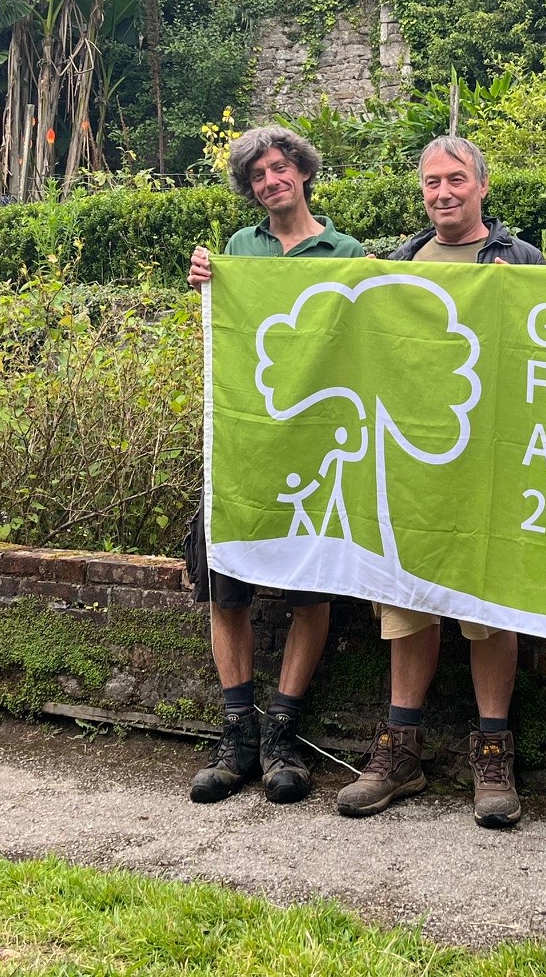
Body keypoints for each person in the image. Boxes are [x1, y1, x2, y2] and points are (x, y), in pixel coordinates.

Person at [335, 135, 544, 829]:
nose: (443, 192)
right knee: (405, 603)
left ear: (483, 186)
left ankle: (493, 753)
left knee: (487, 610)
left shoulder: (521, 261)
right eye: (431, 183)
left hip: (490, 464)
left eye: (456, 179)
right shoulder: (397, 263)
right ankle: (400, 751)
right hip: (410, 465)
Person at [185, 126, 367, 806]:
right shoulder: (239, 250)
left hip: (317, 447)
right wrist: (206, 282)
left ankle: (282, 734)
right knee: (225, 584)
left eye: (280, 167)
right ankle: (237, 733)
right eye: (258, 174)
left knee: (310, 591)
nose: (271, 180)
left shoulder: (345, 252)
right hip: (247, 444)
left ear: (303, 173)